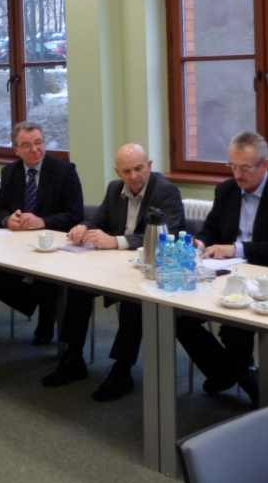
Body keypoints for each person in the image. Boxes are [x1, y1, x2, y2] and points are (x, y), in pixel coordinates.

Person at [178, 131, 268, 406]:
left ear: (265, 165)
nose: (238, 175)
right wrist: (200, 243)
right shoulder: (226, 190)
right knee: (179, 315)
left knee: (235, 327)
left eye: (245, 168)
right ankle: (232, 373)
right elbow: (211, 228)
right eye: (233, 167)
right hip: (227, 274)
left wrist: (237, 249)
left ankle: (241, 379)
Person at [43, 144, 185, 399]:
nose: (133, 176)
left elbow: (167, 235)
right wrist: (83, 227)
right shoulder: (113, 188)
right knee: (78, 287)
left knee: (133, 301)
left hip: (148, 268)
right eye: (126, 171)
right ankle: (73, 358)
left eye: (139, 169)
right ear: (118, 172)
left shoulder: (165, 191)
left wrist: (116, 241)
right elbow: (97, 220)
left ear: (150, 166)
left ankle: (122, 370)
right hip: (114, 266)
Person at [0, 121, 84, 344]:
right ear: (16, 150)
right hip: (18, 248)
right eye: (27, 145)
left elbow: (76, 215)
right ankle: (45, 305)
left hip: (54, 249)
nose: (35, 149)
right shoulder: (9, 172)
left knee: (48, 282)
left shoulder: (64, 171)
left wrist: (42, 221)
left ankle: (46, 320)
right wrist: (7, 219)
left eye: (39, 143)